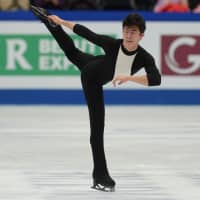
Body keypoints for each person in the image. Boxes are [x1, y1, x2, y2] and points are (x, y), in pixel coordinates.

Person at [31, 5, 161, 192]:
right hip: (92, 78)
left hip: (94, 63)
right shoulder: (113, 44)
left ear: (141, 35)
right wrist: (62, 21)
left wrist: (129, 77)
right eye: (126, 31)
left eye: (133, 32)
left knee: (72, 53)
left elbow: (156, 80)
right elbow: (87, 34)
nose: (128, 35)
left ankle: (50, 25)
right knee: (97, 130)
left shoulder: (144, 57)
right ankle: (101, 176)